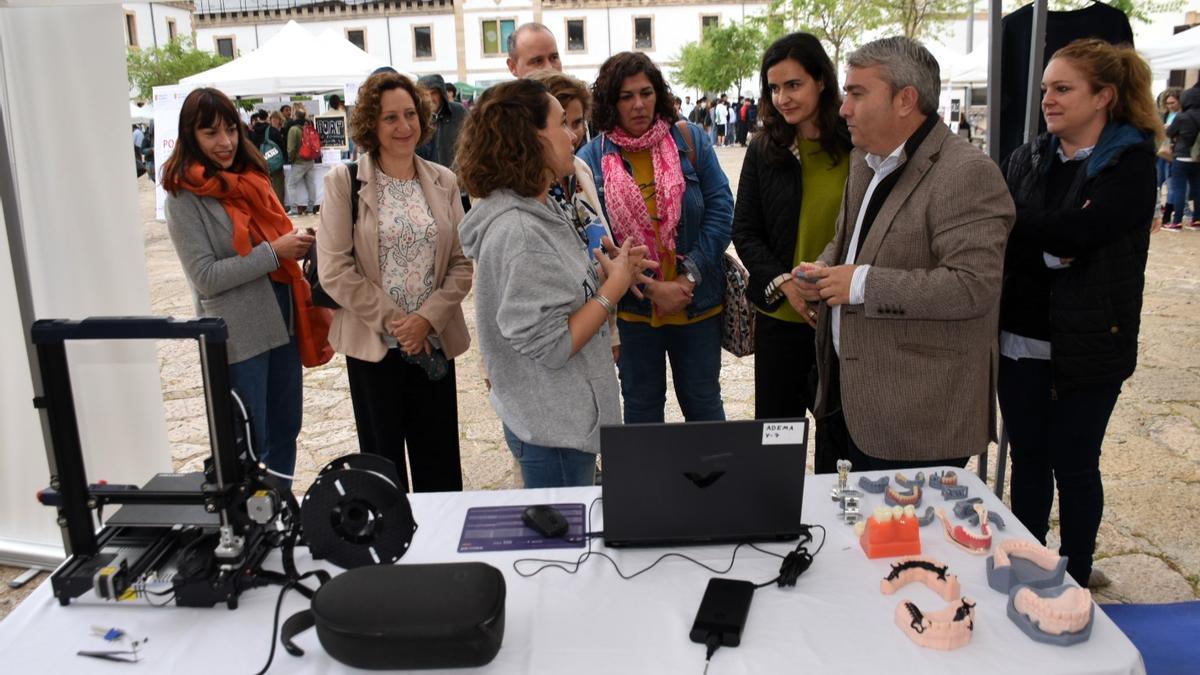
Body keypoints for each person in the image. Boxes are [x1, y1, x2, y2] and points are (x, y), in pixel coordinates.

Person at [794, 36, 1015, 472]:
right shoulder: (865, 161)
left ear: (905, 99)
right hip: (845, 401)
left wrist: (859, 283)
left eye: (857, 93)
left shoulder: (967, 173)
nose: (843, 108)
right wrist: (821, 270)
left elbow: (973, 286)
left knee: (903, 542)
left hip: (915, 421)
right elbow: (847, 242)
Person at [998, 39, 1159, 588]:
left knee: (1075, 465)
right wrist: (1050, 240)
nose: (1048, 98)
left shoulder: (1131, 163)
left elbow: (1088, 232)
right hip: (1020, 340)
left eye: (1063, 88)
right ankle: (1030, 565)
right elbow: (1000, 227)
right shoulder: (1027, 156)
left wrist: (1033, 225)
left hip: (1090, 344)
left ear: (1103, 96)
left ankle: (1077, 574)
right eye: (1045, 88)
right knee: (1029, 463)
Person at [456, 79, 655, 488]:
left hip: (559, 419)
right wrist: (612, 288)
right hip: (554, 430)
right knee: (562, 549)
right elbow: (554, 345)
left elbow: (555, 295)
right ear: (529, 139)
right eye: (562, 124)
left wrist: (608, 273)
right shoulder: (521, 231)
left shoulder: (541, 205)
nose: (574, 134)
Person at [317, 72, 473, 493]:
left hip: (433, 343)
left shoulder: (444, 180)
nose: (404, 126)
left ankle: (440, 553)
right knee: (383, 469)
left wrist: (426, 320)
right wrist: (400, 323)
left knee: (439, 466)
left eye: (410, 114)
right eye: (390, 118)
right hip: (374, 349)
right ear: (372, 124)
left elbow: (463, 263)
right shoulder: (343, 182)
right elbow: (333, 269)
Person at [162, 87, 317, 480]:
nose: (225, 141)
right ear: (189, 135)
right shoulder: (183, 197)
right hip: (237, 337)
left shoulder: (252, 179)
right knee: (249, 443)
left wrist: (293, 245)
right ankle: (251, 529)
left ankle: (277, 513)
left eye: (230, 129)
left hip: (283, 320)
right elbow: (205, 278)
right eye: (210, 132)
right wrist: (274, 252)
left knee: (286, 430)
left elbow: (269, 241)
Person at [578, 52, 734, 424]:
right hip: (634, 312)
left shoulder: (689, 139)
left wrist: (688, 276)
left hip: (695, 302)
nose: (638, 104)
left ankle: (713, 483)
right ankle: (648, 485)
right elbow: (595, 243)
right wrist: (651, 289)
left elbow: (721, 209)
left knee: (704, 407)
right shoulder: (591, 159)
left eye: (646, 93)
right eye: (626, 96)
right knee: (642, 411)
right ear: (610, 103)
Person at [732, 33, 851, 472]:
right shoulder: (765, 149)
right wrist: (783, 284)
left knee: (836, 443)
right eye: (774, 87)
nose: (782, 98)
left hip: (840, 319)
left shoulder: (856, 147)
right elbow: (744, 231)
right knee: (776, 443)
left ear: (821, 80)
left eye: (793, 85)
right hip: (781, 319)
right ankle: (776, 529)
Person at [528, 69, 621, 362]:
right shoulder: (522, 191)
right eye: (563, 122)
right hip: (555, 341)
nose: (573, 133)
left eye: (578, 122)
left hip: (598, 326)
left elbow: (596, 244)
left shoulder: (580, 169)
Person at [1163, 82, 1200, 230]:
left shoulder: (1181, 117)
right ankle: (1197, 220)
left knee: (1179, 189)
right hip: (1197, 158)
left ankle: (1177, 221)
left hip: (1181, 156)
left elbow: (1169, 133)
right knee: (1197, 189)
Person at [286, 102, 319, 216]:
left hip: (299, 162)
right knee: (311, 185)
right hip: (310, 160)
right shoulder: (309, 127)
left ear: (295, 116)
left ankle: (294, 209)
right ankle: (310, 209)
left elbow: (291, 148)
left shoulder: (293, 129)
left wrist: (292, 159)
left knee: (291, 185)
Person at [1155, 88, 1181, 229]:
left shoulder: (1182, 115)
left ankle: (1168, 214)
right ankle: (1160, 211)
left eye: (1173, 102)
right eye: (1168, 102)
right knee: (1158, 182)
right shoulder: (1164, 115)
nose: (1170, 105)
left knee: (1172, 184)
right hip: (1161, 151)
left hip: (1173, 152)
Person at [265, 111, 288, 205]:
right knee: (278, 185)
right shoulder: (276, 132)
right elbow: (282, 147)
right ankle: (279, 204)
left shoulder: (267, 131)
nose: (275, 121)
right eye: (274, 119)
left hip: (267, 160)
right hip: (277, 162)